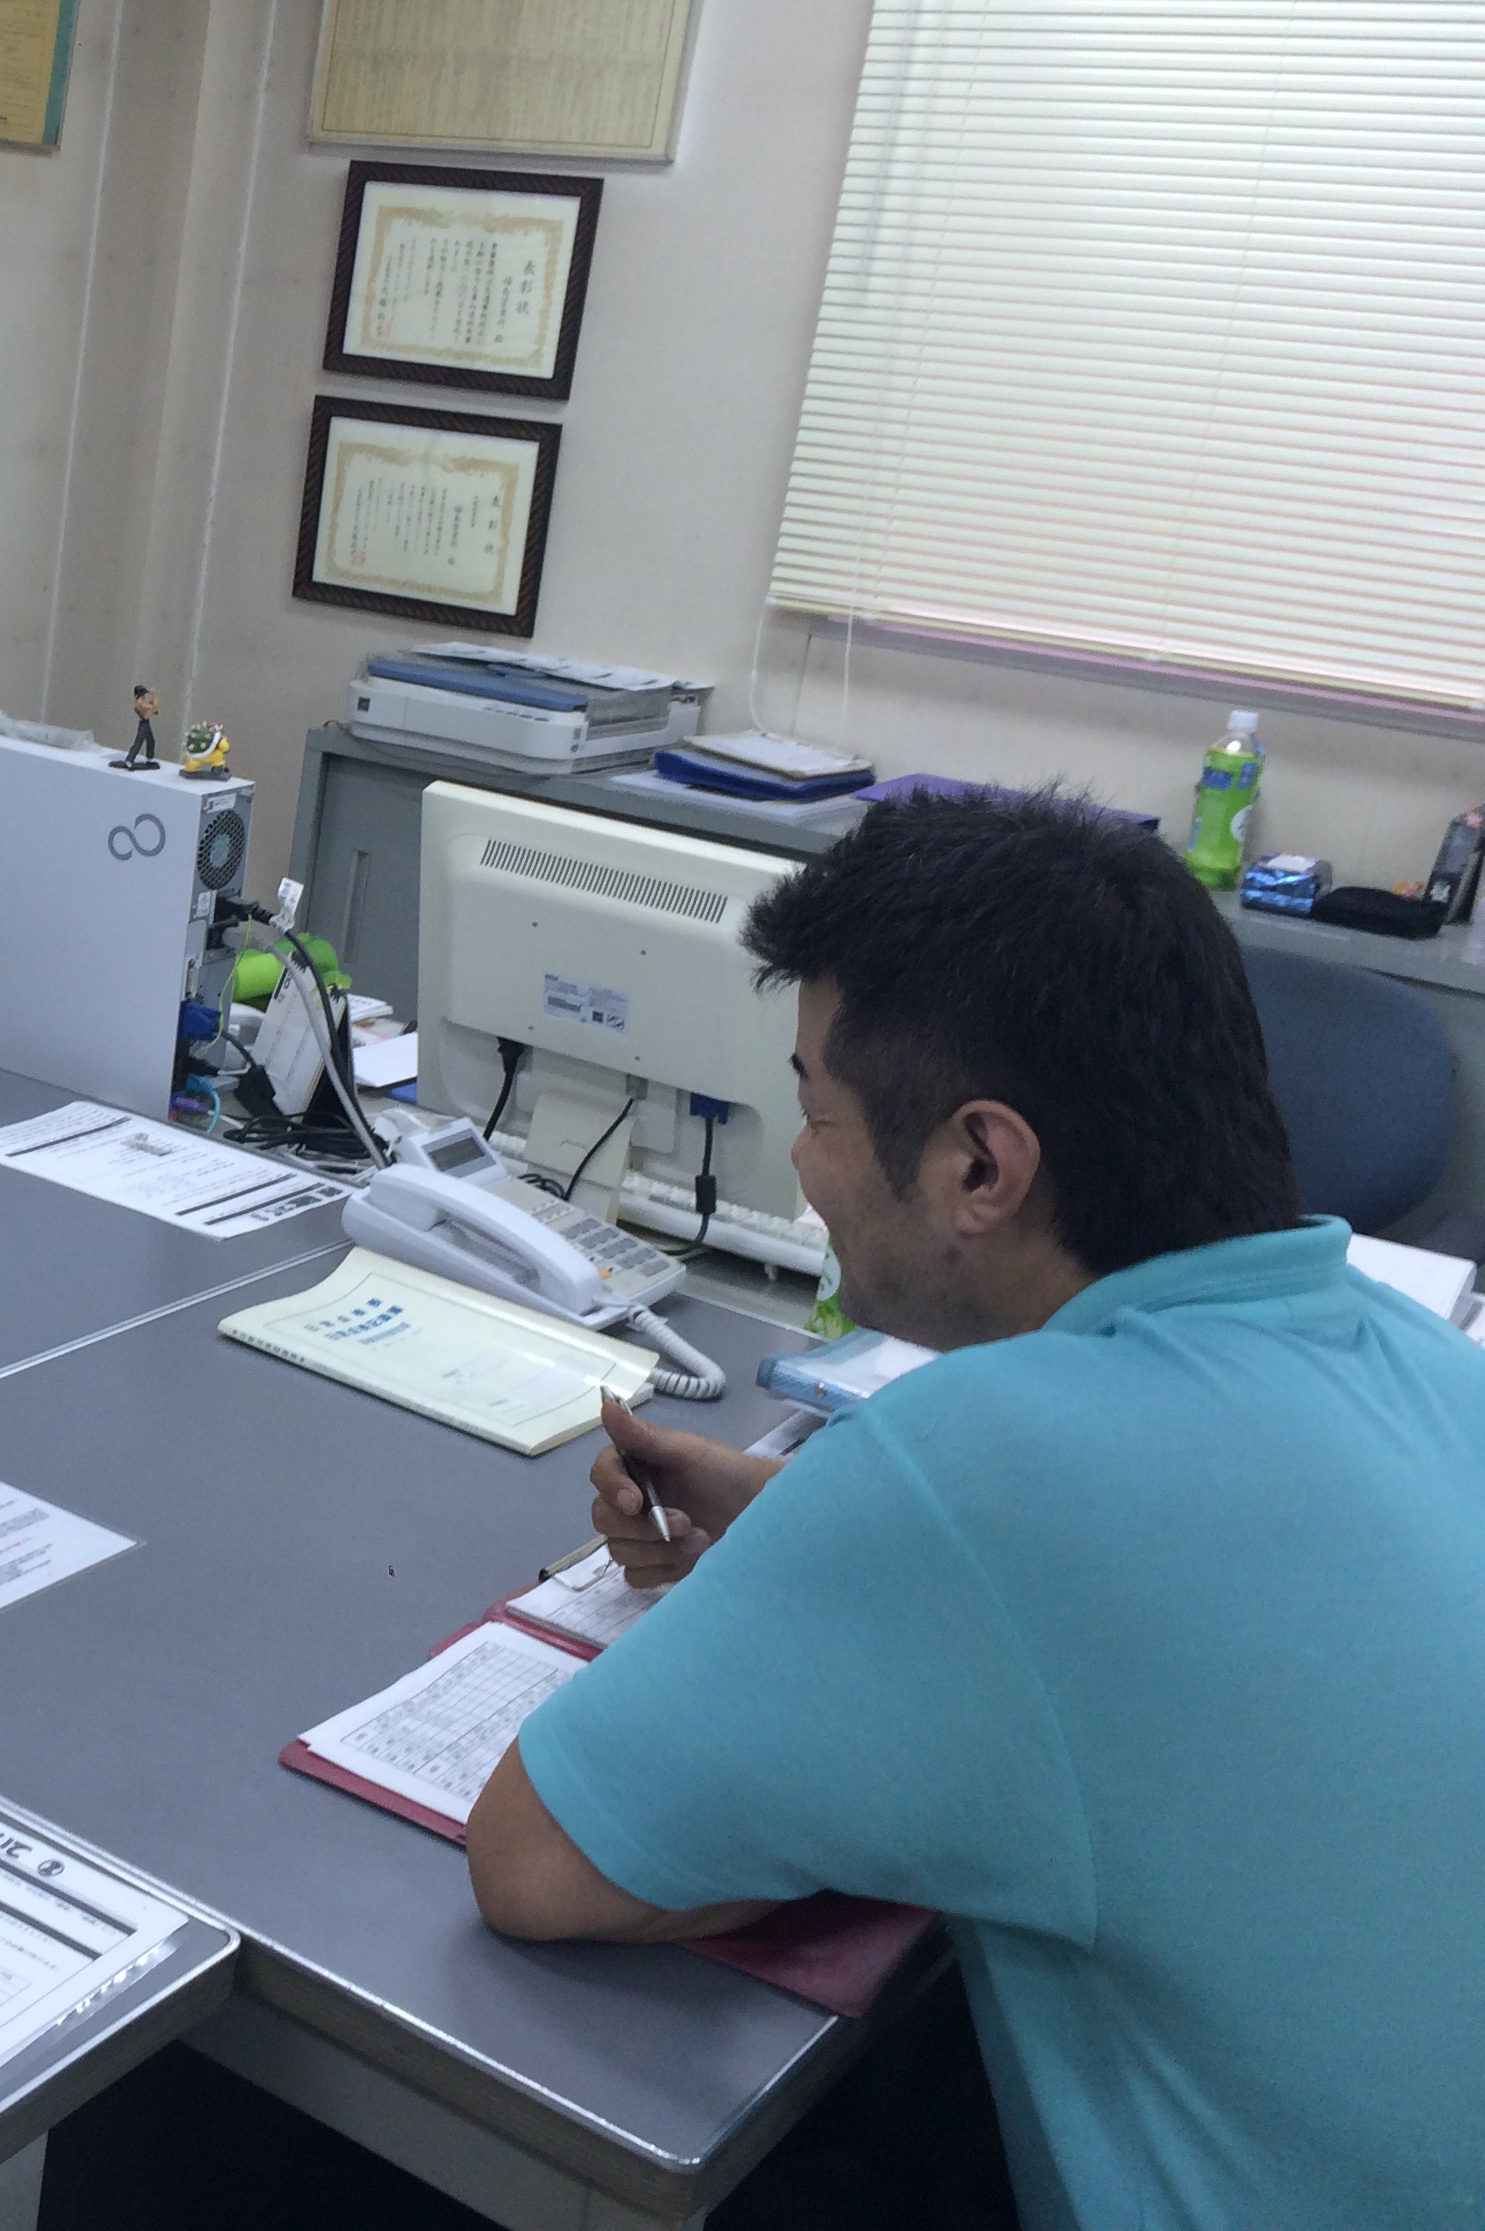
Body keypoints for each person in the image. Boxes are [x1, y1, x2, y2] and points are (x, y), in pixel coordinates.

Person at [461, 792, 1485, 2229]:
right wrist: (803, 1528)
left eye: (816, 1112)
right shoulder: (1430, 1366)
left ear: (982, 1167)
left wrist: (882, 1599)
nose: (804, 1164)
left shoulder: (979, 1466)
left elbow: (535, 1860)